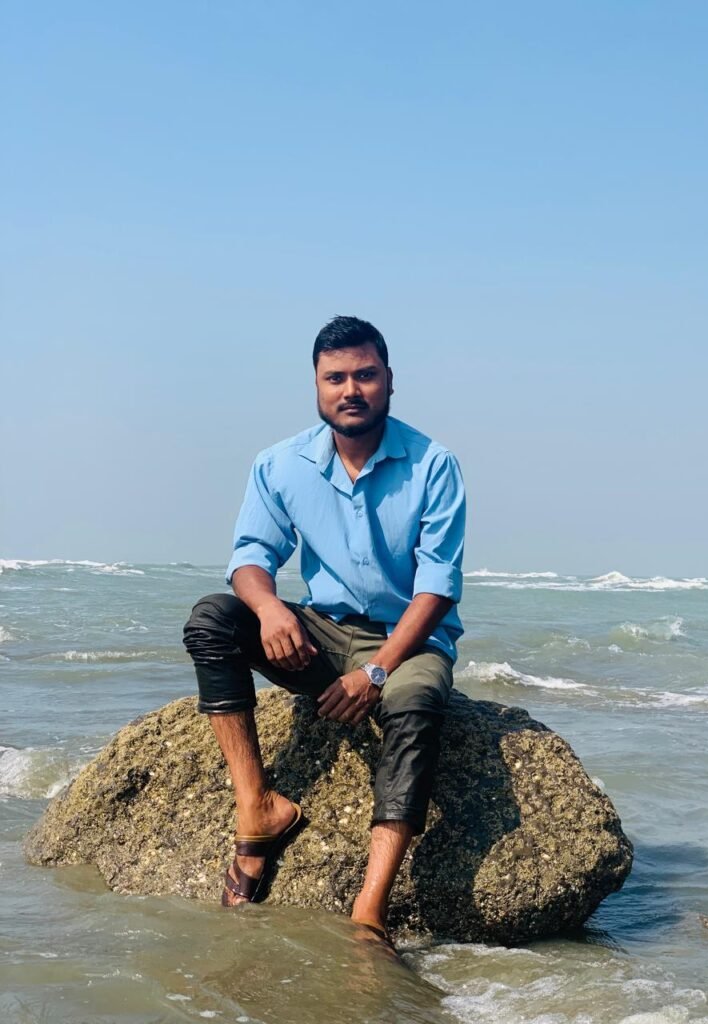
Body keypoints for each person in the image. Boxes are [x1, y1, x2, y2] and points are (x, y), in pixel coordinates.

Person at [183, 315, 465, 945]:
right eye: (335, 378)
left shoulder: (433, 464)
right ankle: (258, 807)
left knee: (415, 704)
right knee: (212, 619)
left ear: (389, 380)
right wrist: (270, 609)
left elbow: (437, 588)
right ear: (316, 385)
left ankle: (369, 910)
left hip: (407, 642)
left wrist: (377, 671)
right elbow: (250, 557)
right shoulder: (280, 464)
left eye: (365, 375)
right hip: (322, 631)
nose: (351, 389)